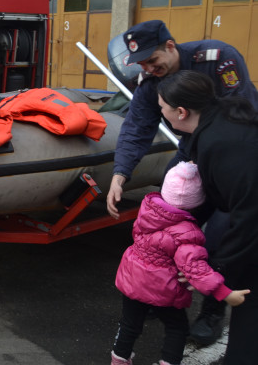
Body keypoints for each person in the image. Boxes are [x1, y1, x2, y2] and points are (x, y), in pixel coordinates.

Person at [106, 20, 258, 344]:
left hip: (229, 156)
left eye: (152, 59)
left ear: (170, 46)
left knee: (219, 234)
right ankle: (156, 289)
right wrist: (120, 175)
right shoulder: (152, 82)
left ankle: (213, 309)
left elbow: (243, 110)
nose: (148, 68)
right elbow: (137, 127)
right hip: (191, 154)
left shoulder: (218, 59)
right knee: (162, 224)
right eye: (142, 64)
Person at [156, 70, 258, 364]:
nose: (161, 114)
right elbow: (212, 199)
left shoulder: (222, 143)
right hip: (248, 221)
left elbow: (248, 213)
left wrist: (219, 269)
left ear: (181, 111)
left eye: (162, 108)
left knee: (249, 301)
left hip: (252, 227)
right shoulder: (216, 123)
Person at [110, 160, 249, 365]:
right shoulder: (188, 233)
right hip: (164, 289)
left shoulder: (147, 210)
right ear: (198, 201)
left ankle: (119, 360)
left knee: (130, 324)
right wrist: (225, 293)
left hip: (133, 280)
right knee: (177, 328)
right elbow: (196, 269)